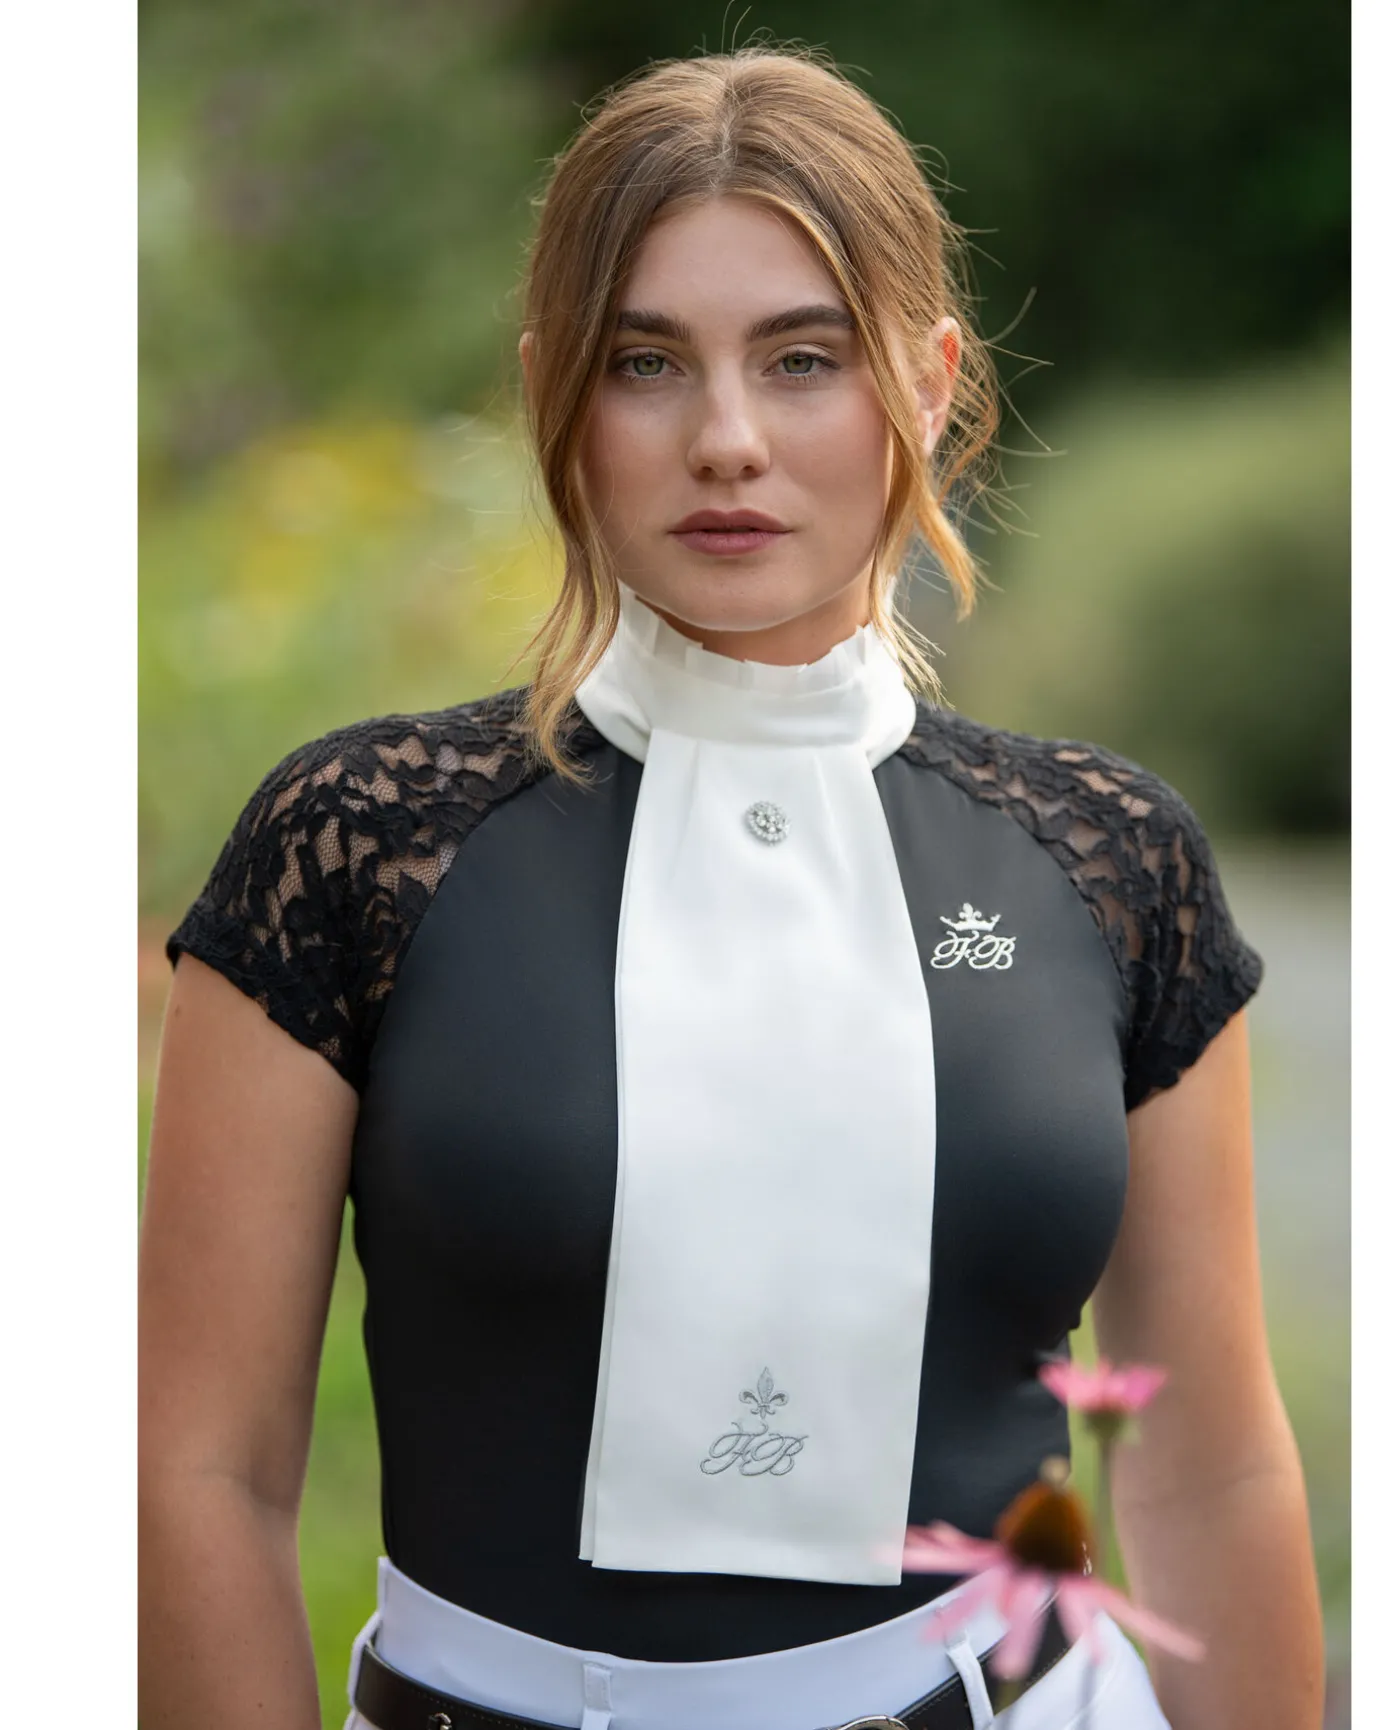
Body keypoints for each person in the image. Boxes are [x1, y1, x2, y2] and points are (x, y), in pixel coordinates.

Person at [138, 45, 1324, 1730]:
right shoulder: (349, 845)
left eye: (801, 358)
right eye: (645, 363)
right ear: (555, 391)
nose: (726, 439)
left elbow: (1206, 1460)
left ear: (926, 384)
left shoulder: (1114, 860)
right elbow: (199, 1465)